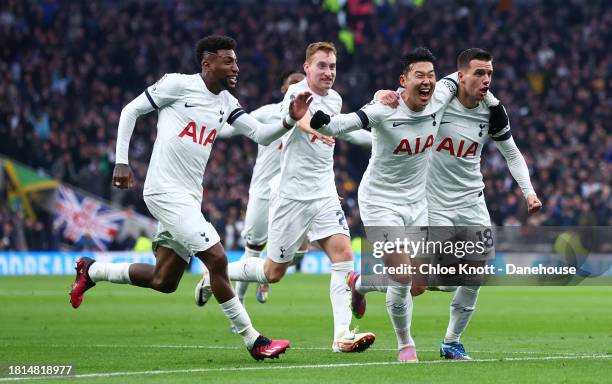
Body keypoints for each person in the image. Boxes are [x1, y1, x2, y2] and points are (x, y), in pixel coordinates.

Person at [68, 35, 313, 361]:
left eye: (236, 61)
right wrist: (121, 160)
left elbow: (258, 133)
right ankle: (254, 340)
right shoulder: (177, 85)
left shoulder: (226, 102)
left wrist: (289, 119)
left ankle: (91, 270)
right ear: (207, 63)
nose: (236, 68)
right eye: (229, 61)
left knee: (163, 280)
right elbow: (131, 111)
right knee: (217, 259)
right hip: (163, 191)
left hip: (188, 196)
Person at [201, 42, 375, 354]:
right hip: (292, 197)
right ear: (307, 68)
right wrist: (359, 116)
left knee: (343, 258)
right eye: (322, 66)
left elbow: (338, 132)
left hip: (323, 194)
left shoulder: (334, 98)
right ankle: (215, 274)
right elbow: (308, 122)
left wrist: (380, 133)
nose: (328, 72)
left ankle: (342, 336)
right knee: (273, 273)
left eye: (333, 66)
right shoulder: (295, 94)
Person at [309, 47, 459, 362]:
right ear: (403, 81)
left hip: (417, 203)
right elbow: (340, 125)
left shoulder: (442, 95)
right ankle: (406, 345)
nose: (428, 81)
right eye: (419, 75)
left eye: (431, 75)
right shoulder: (383, 109)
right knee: (403, 277)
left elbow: (463, 79)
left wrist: (487, 98)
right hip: (380, 202)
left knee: (418, 285)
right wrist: (316, 117)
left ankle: (360, 283)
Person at [194, 70, 309, 312]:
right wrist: (204, 125)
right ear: (283, 89)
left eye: (303, 84)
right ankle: (241, 300)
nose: (299, 88)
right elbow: (232, 130)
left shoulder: (314, 118)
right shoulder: (267, 113)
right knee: (253, 250)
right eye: (293, 84)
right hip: (263, 192)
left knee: (300, 251)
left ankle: (263, 274)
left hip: (296, 193)